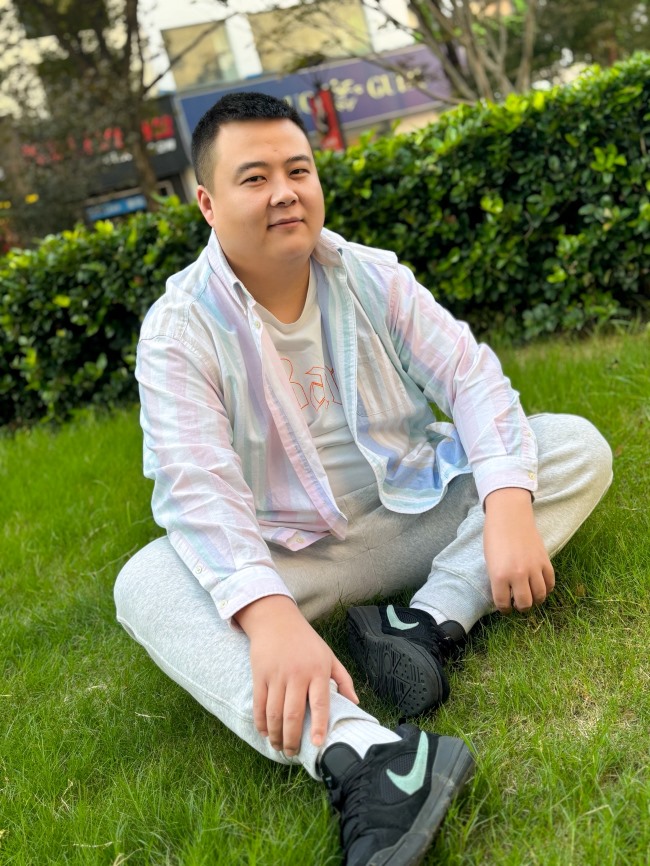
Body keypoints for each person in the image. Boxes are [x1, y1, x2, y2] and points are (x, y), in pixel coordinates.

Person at [114, 91, 612, 866]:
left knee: (571, 445)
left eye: (298, 170)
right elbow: (195, 485)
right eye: (255, 178)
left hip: (414, 512)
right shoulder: (180, 329)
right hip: (292, 558)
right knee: (146, 581)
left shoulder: (370, 275)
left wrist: (510, 505)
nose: (285, 192)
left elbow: (470, 379)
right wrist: (270, 619)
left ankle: (425, 622)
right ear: (207, 203)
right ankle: (369, 756)